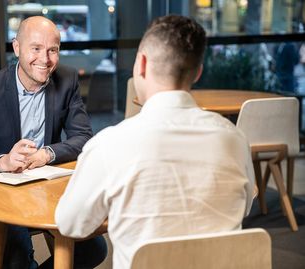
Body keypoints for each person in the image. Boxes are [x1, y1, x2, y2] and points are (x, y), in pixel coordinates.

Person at [55, 15, 256, 269]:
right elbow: (245, 206)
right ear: (198, 73)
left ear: (142, 64)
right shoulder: (235, 139)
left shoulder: (110, 144)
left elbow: (70, 223)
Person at [0, 16, 106, 268]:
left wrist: (46, 154)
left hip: (45, 188)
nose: (45, 59)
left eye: (52, 50)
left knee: (93, 249)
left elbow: (83, 138)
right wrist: (3, 161)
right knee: (16, 259)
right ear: (17, 48)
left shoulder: (67, 80)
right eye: (36, 48)